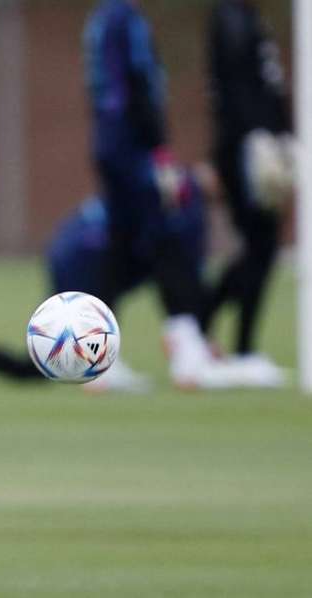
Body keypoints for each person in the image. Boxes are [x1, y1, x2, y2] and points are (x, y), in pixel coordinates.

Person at [0, 162, 211, 393]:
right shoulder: (182, 207)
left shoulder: (170, 196)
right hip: (79, 256)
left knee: (44, 366)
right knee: (45, 366)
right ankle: (102, 372)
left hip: (75, 252)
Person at [82, 0, 238, 389]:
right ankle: (188, 352)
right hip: (132, 149)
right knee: (167, 234)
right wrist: (158, 149)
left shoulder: (101, 19)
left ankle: (95, 362)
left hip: (109, 144)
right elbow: (138, 85)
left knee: (120, 246)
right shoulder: (125, 20)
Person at [201, 0, 293, 387]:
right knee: (259, 247)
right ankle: (232, 343)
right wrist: (258, 139)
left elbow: (268, 86)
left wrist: (284, 135)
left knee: (260, 249)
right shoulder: (230, 17)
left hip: (261, 145)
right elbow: (237, 89)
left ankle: (206, 330)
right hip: (246, 151)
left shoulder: (249, 16)